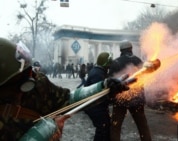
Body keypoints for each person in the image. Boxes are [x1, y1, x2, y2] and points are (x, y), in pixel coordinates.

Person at [0, 38, 131, 141]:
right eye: (22, 77)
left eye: (29, 71)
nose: (32, 77)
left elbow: (68, 99)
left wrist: (104, 87)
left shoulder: (38, 83)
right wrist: (43, 132)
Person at [108, 40, 152, 141]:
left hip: (120, 99)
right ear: (131, 49)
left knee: (115, 126)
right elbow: (144, 78)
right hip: (137, 98)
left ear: (121, 50)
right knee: (142, 125)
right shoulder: (138, 61)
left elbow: (110, 81)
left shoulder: (115, 62)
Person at [84, 52, 113, 141]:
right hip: (95, 106)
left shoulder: (98, 71)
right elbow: (99, 93)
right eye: (109, 64)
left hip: (97, 106)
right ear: (105, 63)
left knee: (104, 128)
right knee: (102, 129)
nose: (109, 66)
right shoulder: (98, 74)